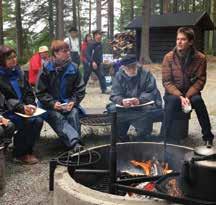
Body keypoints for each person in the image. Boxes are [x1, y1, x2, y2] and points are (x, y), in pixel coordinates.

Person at [162, 27, 214, 145]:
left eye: (183, 39)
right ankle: (163, 137)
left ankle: (208, 137)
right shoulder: (168, 57)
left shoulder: (200, 58)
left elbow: (200, 80)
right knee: (171, 102)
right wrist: (180, 96)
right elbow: (167, 82)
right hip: (173, 93)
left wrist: (188, 96)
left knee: (198, 101)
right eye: (178, 39)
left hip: (191, 92)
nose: (179, 42)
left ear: (190, 42)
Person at [36, 40, 85, 150]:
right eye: (64, 51)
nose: (68, 53)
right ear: (55, 53)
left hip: (68, 103)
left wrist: (73, 102)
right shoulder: (46, 69)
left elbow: (80, 89)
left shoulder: (74, 67)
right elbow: (40, 92)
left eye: (68, 50)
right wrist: (53, 104)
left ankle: (73, 146)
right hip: (48, 106)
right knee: (57, 116)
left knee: (73, 113)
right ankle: (75, 144)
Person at [0, 45, 43, 164]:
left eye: (14, 57)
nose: (14, 60)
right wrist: (22, 108)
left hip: (22, 109)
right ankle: (19, 154)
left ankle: (27, 150)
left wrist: (31, 105)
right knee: (28, 122)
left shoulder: (19, 72)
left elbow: (28, 91)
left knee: (38, 120)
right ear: (2, 60)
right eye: (9, 58)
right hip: (7, 111)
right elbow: (6, 99)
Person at [109, 55, 163, 142]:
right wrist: (122, 101)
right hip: (126, 106)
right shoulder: (119, 75)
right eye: (129, 67)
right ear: (123, 68)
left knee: (146, 112)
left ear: (137, 65)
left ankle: (143, 136)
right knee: (114, 111)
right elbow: (115, 94)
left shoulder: (145, 74)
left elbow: (151, 91)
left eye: (134, 66)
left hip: (143, 104)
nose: (132, 69)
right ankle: (121, 138)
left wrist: (139, 100)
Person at [85, 30, 109, 94]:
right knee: (86, 77)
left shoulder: (100, 43)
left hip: (98, 64)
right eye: (99, 34)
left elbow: (99, 54)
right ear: (95, 36)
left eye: (101, 35)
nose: (100, 36)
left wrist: (101, 61)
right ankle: (81, 91)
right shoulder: (91, 44)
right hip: (90, 64)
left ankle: (104, 90)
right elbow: (87, 54)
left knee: (102, 75)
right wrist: (92, 62)